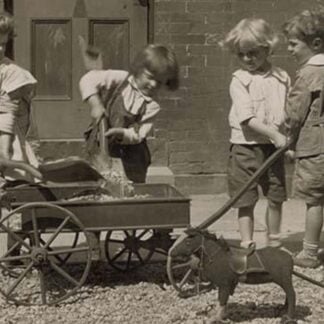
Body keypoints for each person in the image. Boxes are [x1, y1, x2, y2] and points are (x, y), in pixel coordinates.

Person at [220, 18, 290, 249]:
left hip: (273, 148)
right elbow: (247, 119)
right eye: (241, 54)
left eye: (253, 53)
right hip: (245, 147)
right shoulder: (240, 80)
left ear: (267, 49)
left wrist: (286, 136)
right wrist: (276, 135)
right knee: (245, 199)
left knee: (276, 196)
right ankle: (247, 243)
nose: (247, 59)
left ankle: (274, 242)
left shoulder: (282, 77)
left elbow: (288, 110)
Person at [79, 43, 179, 183]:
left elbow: (140, 134)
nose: (153, 84)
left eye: (160, 82)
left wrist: (122, 133)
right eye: (150, 77)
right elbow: (88, 79)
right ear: (138, 69)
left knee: (130, 186)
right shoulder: (121, 79)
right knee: (99, 181)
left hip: (132, 155)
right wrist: (95, 104)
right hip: (101, 145)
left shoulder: (152, 105)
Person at [283, 9, 324, 268]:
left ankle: (309, 253)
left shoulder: (307, 73)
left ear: (315, 44)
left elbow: (295, 114)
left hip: (314, 148)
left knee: (314, 201)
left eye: (293, 44)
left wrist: (288, 137)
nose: (289, 49)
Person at [0, 11, 39, 183]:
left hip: (3, 134)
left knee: (7, 179)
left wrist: (4, 150)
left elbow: (7, 113)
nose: (0, 49)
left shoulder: (9, 71)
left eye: (3, 44)